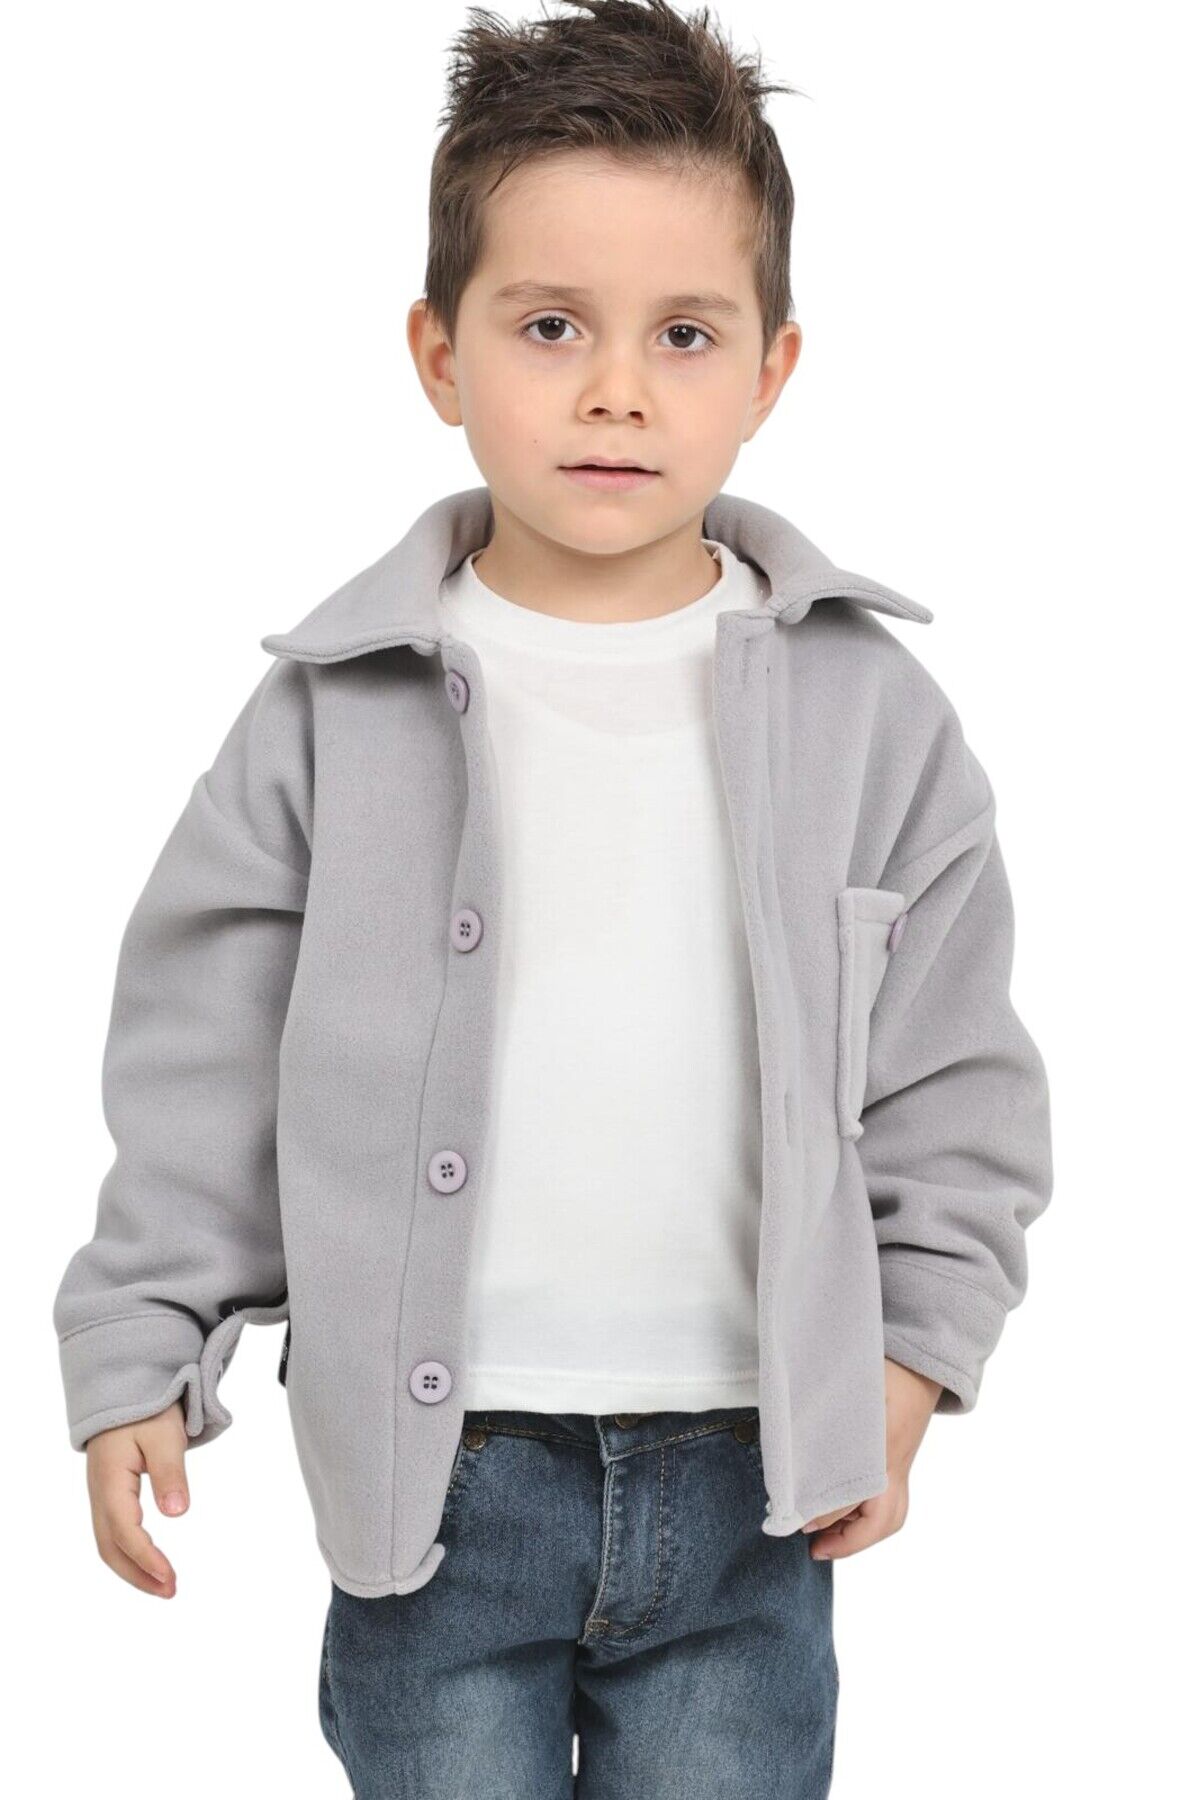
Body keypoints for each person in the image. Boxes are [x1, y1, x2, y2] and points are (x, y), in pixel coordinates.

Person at [51, 2, 1053, 1794]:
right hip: (432, 1492)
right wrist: (140, 1346)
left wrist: (915, 1356)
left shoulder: (871, 714)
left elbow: (953, 1075)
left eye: (685, 334)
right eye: (549, 327)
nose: (616, 390)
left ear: (774, 368)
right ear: (438, 355)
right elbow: (204, 1065)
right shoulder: (332, 709)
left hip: (753, 1483)